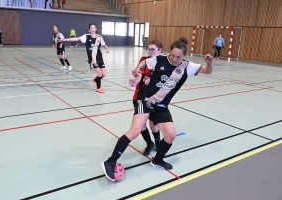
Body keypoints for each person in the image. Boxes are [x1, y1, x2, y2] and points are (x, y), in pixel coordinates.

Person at [102, 37, 214, 182]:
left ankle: (157, 160)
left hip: (161, 106)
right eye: (172, 55)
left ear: (184, 56)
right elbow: (145, 62)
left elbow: (208, 71)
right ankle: (110, 161)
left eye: (178, 57)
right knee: (135, 131)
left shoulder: (188, 66)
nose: (174, 59)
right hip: (146, 100)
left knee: (170, 135)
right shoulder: (160, 59)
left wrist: (209, 63)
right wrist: (138, 69)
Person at [129, 40, 164, 156]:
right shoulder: (144, 60)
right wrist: (135, 80)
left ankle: (158, 142)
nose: (150, 51)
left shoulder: (164, 62)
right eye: (149, 49)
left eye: (153, 49)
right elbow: (139, 74)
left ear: (160, 50)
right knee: (141, 124)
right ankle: (149, 143)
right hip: (140, 95)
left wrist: (153, 81)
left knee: (153, 122)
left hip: (155, 97)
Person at [58, 23, 110, 93]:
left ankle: (96, 80)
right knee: (100, 74)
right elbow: (76, 38)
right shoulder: (86, 37)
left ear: (96, 29)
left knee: (104, 74)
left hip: (100, 58)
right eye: (91, 28)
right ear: (90, 29)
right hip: (93, 59)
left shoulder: (99, 37)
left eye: (94, 28)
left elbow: (104, 44)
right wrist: (64, 40)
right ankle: (98, 88)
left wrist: (107, 48)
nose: (93, 29)